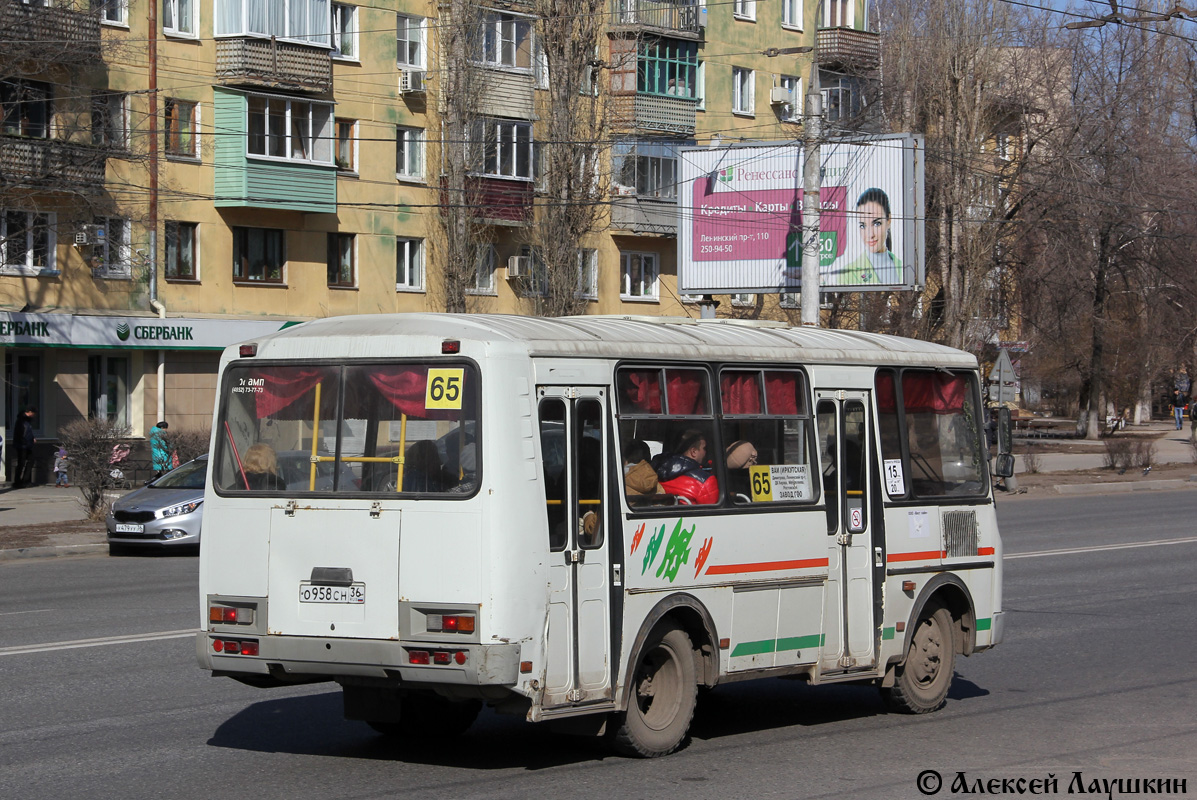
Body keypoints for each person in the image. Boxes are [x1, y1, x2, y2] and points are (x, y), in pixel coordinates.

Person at [829, 188, 902, 286]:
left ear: (888, 220)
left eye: (876, 224)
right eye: (863, 226)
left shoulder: (904, 268)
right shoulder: (847, 275)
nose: (870, 235)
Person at [652, 428, 719, 505]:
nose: (705, 452)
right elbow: (711, 514)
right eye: (704, 448)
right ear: (693, 452)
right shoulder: (706, 481)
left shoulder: (654, 471)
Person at [12, 407, 36, 489]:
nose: (34, 415)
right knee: (21, 463)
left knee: (30, 460)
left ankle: (25, 480)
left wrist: (32, 438)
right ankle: (18, 482)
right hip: (22, 445)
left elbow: (28, 432)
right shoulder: (21, 421)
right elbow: (21, 433)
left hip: (27, 444)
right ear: (30, 412)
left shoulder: (27, 421)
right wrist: (24, 442)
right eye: (33, 413)